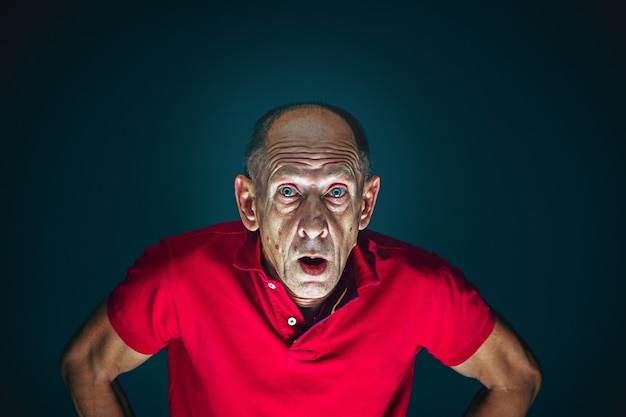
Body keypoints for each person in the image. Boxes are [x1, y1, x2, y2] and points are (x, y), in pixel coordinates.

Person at [61, 102, 542, 417]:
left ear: (366, 206)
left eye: (336, 192)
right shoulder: (180, 274)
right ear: (250, 204)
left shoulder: (422, 286)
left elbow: (515, 379)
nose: (314, 224)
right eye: (289, 191)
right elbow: (87, 364)